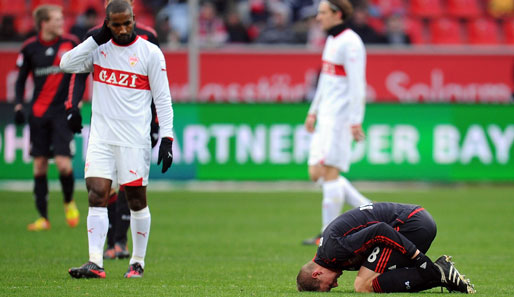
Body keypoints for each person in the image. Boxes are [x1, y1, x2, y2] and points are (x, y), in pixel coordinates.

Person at [61, 0, 174, 278]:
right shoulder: (98, 48)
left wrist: (167, 138)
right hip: (101, 138)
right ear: (107, 24)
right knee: (96, 194)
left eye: (128, 22)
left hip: (134, 140)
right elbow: (66, 65)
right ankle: (95, 262)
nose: (123, 29)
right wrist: (95, 39)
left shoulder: (150, 52)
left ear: (135, 19)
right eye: (116, 24)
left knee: (136, 200)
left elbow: (163, 99)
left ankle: (137, 261)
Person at [302, 0, 370, 245]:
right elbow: (325, 81)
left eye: (322, 13)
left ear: (336, 14)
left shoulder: (351, 43)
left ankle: (327, 234)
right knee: (315, 172)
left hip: (341, 119)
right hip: (326, 117)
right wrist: (313, 111)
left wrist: (355, 121)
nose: (318, 17)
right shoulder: (332, 40)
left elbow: (357, 85)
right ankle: (368, 208)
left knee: (330, 173)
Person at [296, 202, 476, 294]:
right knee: (373, 279)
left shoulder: (333, 251)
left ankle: (439, 272)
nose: (336, 284)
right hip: (414, 220)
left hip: (411, 224)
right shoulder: (330, 254)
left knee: (363, 285)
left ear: (316, 274)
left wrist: (417, 257)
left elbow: (380, 229)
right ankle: (440, 275)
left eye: (329, 286)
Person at [13, 4, 80, 231]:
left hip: (62, 112)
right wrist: (19, 104)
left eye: (62, 18)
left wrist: (77, 101)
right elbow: (21, 79)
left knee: (63, 164)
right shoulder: (30, 47)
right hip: (39, 113)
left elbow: (82, 73)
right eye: (57, 19)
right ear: (44, 23)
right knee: (40, 165)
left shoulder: (71, 43)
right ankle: (43, 218)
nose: (62, 23)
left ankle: (69, 201)